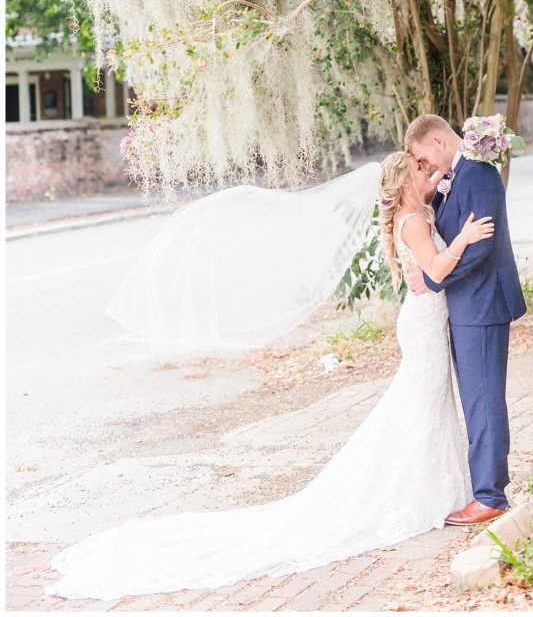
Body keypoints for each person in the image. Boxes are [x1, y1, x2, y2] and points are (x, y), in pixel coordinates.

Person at [46, 151, 494, 601]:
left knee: (426, 404)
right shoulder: (414, 221)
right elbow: (436, 269)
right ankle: (416, 492)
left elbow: (431, 205)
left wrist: (450, 167)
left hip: (423, 318)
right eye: (420, 169)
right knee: (421, 403)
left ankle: (432, 488)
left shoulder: (415, 209)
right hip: (422, 324)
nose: (430, 173)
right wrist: (464, 239)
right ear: (403, 183)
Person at [405, 114, 527, 526]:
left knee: (484, 400)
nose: (425, 168)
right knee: (477, 399)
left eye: (424, 158)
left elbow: (481, 249)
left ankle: (490, 496)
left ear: (439, 140)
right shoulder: (456, 177)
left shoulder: (477, 175)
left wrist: (432, 278)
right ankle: (486, 489)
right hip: (467, 306)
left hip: (483, 303)